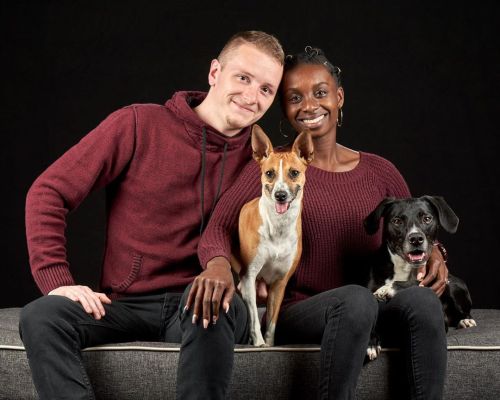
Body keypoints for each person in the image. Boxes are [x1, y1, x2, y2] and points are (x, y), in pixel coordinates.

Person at [19, 30, 284, 400]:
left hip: (209, 305)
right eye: (243, 78)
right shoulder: (138, 124)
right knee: (41, 315)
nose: (251, 96)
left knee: (208, 297)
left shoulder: (266, 164)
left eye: (266, 89)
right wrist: (56, 280)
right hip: (126, 304)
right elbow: (49, 192)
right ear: (214, 72)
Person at [198, 46, 449, 399]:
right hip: (301, 311)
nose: (310, 106)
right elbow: (217, 230)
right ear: (284, 108)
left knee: (422, 302)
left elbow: (416, 227)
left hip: (374, 302)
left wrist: (436, 252)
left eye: (320, 93)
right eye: (294, 97)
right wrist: (220, 265)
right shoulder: (275, 170)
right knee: (356, 300)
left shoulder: (380, 171)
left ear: (339, 97)